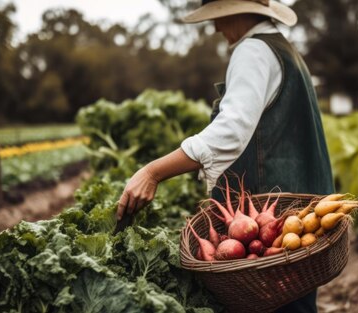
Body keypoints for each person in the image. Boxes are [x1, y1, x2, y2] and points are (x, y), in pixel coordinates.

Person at [116, 0, 334, 312]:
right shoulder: (283, 50)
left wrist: (153, 172)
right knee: (293, 300)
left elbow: (230, 131)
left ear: (240, 10)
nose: (216, 27)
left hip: (267, 220)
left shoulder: (253, 51)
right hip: (296, 215)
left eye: (220, 16)